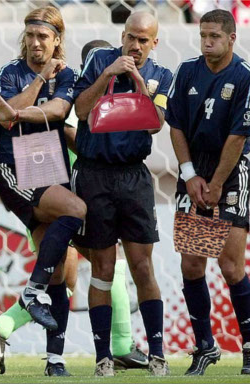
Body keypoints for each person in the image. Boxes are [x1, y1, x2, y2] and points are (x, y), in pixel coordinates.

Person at [0, 39, 148, 377]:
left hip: (69, 182)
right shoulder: (76, 90)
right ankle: (121, 345)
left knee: (67, 274)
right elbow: (67, 129)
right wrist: (95, 152)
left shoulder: (76, 84)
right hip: (52, 183)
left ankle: (30, 343)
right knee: (102, 261)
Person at [0, 6, 86, 376]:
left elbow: (59, 110)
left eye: (44, 37)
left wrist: (15, 112)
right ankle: (30, 292)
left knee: (59, 274)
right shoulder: (9, 72)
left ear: (57, 40)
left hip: (52, 168)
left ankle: (55, 360)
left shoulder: (69, 74)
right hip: (16, 166)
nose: (36, 43)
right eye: (31, 36)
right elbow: (8, 115)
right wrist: (38, 80)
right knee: (76, 211)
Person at [72, 12, 173, 376]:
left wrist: (136, 79)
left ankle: (158, 354)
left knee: (142, 266)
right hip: (94, 174)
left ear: (154, 43)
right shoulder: (100, 60)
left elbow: (156, 122)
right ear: (123, 35)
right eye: (131, 37)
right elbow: (82, 111)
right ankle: (103, 357)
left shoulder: (162, 76)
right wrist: (108, 74)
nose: (135, 45)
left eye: (143, 40)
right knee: (102, 268)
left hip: (134, 177)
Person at [166, 9, 250, 376]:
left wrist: (218, 183)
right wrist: (190, 174)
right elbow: (174, 124)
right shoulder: (188, 70)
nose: (207, 42)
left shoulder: (246, 78)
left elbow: (238, 137)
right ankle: (205, 346)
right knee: (192, 264)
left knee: (230, 266)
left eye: (215, 37)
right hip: (194, 168)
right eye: (203, 35)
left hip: (230, 173)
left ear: (231, 38)